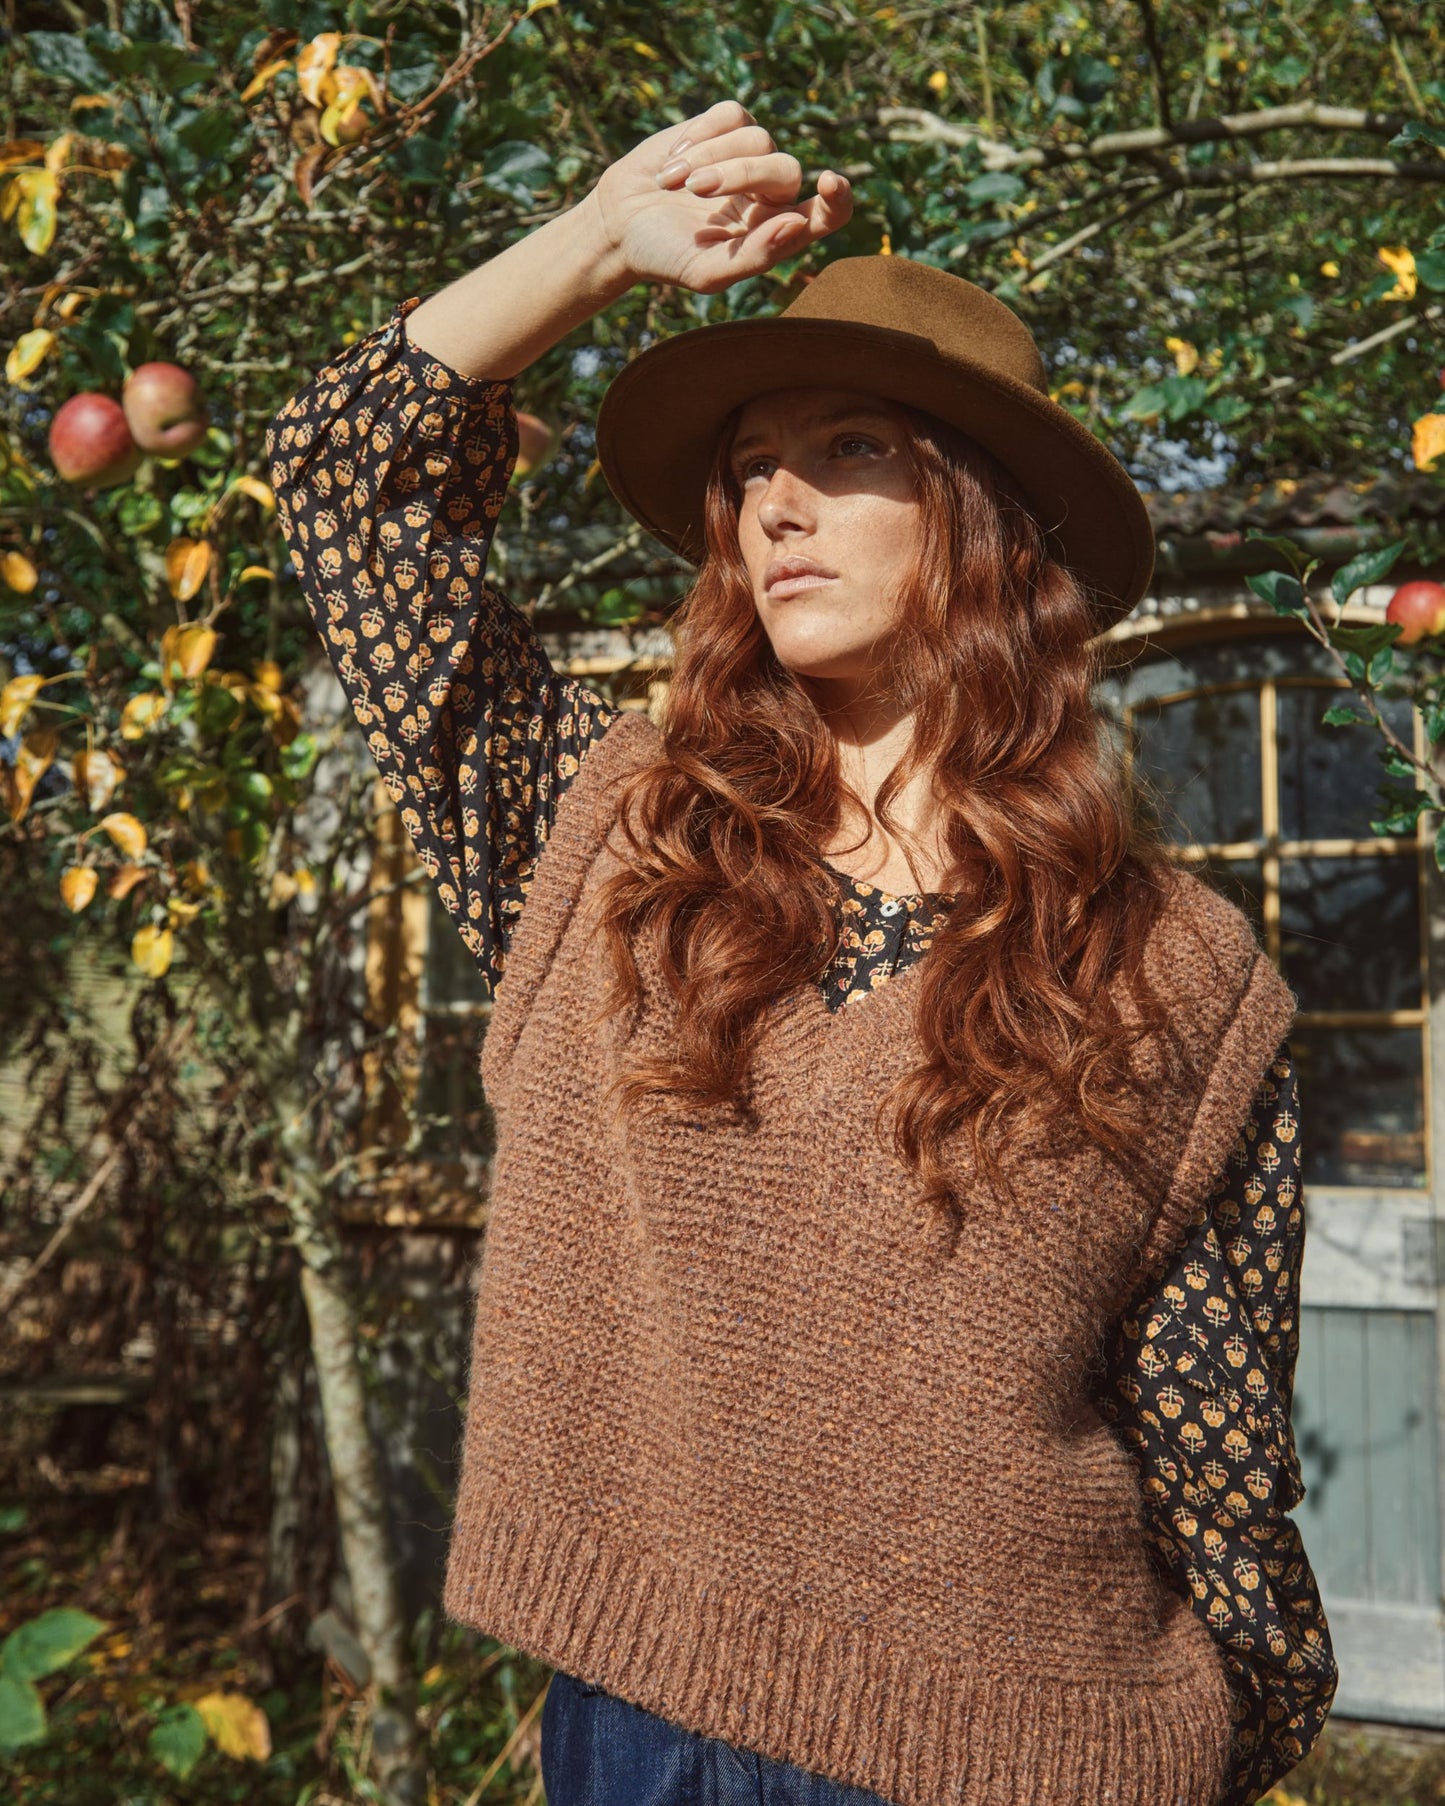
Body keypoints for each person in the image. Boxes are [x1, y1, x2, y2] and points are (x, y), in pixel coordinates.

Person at [267, 98, 1337, 1806]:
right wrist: (606, 238)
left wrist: (1239, 1724)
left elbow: (1212, 1442)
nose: (777, 505)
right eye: (748, 467)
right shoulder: (614, 838)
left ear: (980, 516)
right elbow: (342, 484)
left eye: (844, 453)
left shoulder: (1168, 966)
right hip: (630, 1719)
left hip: (1018, 1749)